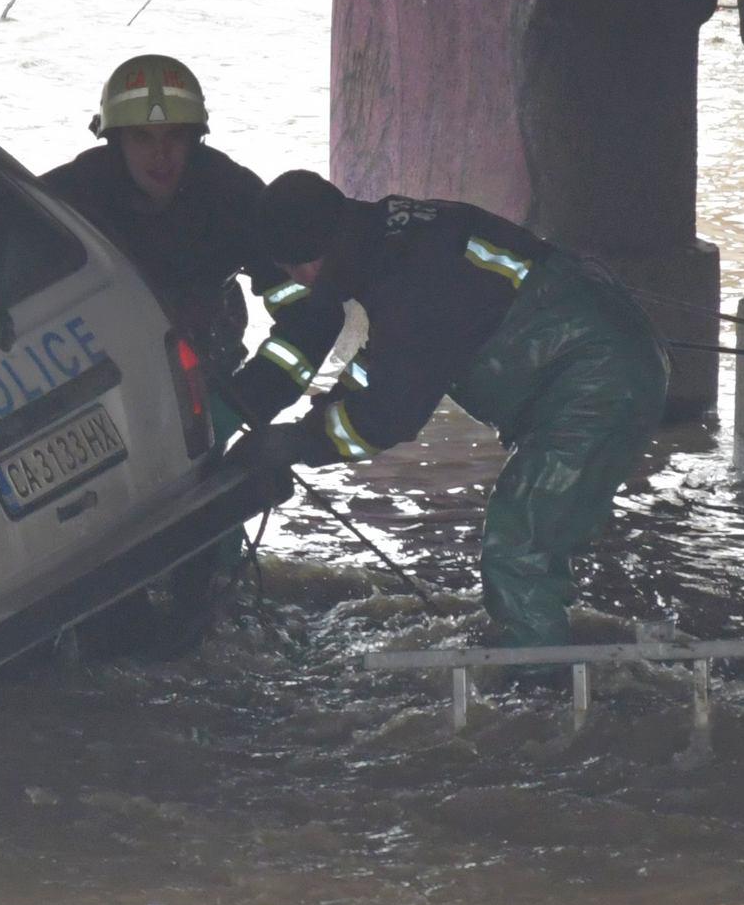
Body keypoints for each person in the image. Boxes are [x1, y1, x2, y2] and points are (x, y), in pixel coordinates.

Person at [228, 170, 668, 651]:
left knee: (517, 544)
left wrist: (293, 444)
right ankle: (554, 646)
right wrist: (319, 415)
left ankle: (542, 694)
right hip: (592, 357)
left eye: (293, 268)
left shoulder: (410, 283)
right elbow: (386, 361)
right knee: (534, 539)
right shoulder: (386, 240)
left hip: (595, 379)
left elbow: (387, 416)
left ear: (315, 256)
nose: (297, 281)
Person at [37, 55, 281, 367]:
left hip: (213, 371)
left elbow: (304, 310)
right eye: (142, 137)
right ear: (116, 142)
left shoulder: (232, 194)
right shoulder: (73, 196)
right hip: (107, 374)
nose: (160, 155)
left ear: (194, 140)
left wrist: (257, 395)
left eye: (175, 136)